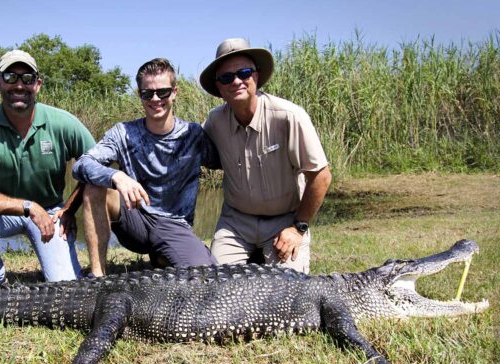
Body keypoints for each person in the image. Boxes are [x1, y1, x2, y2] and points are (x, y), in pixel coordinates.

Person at [0, 50, 95, 285]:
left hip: (51, 213)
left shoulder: (62, 122)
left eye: (27, 78)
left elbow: (98, 165)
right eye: (11, 77)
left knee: (67, 286)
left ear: (37, 84)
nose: (19, 85)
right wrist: (28, 207)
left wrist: (70, 208)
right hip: (3, 213)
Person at [72, 58, 219, 277]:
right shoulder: (123, 133)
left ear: (175, 92)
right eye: (147, 93)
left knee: (207, 275)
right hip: (135, 218)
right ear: (140, 95)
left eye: (163, 92)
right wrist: (116, 176)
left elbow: (228, 162)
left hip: (174, 225)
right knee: (94, 188)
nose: (156, 99)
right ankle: (97, 277)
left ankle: (164, 255)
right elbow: (81, 165)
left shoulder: (194, 134)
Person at [199, 38, 332, 273]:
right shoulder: (214, 121)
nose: (237, 81)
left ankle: (273, 251)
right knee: (214, 282)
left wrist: (297, 228)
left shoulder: (289, 116)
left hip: (284, 219)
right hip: (235, 223)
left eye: (244, 72)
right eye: (227, 77)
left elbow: (321, 176)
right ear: (219, 87)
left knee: (287, 287)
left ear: (256, 76)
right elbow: (189, 152)